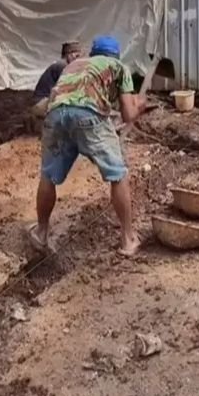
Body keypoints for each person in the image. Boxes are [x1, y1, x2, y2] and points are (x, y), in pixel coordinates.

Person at [28, 35, 147, 257]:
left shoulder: (73, 65)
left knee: (48, 176)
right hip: (88, 116)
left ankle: (41, 232)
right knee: (117, 175)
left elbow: (61, 97)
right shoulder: (118, 67)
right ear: (116, 55)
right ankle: (128, 239)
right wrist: (139, 105)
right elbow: (128, 114)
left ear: (93, 54)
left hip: (55, 114)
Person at [31, 41, 82, 120]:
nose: (78, 58)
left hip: (44, 101)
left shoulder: (62, 65)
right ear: (69, 54)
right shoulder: (62, 66)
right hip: (42, 103)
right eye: (77, 54)